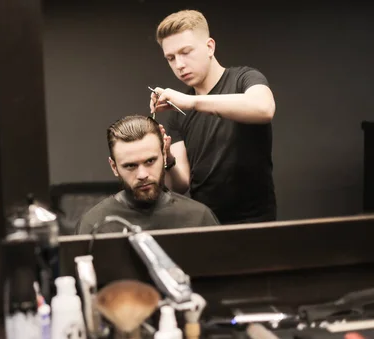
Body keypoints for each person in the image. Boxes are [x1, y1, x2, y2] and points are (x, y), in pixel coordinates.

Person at [149, 9, 277, 225]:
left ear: (210, 47)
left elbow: (264, 109)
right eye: (171, 58)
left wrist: (192, 103)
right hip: (206, 222)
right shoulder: (178, 114)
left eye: (186, 52)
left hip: (255, 221)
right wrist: (168, 160)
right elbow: (181, 184)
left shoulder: (244, 78)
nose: (179, 65)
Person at [76, 115, 219, 235]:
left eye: (150, 161)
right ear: (114, 167)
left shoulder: (199, 218)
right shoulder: (93, 225)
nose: (142, 175)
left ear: (164, 155)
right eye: (130, 166)